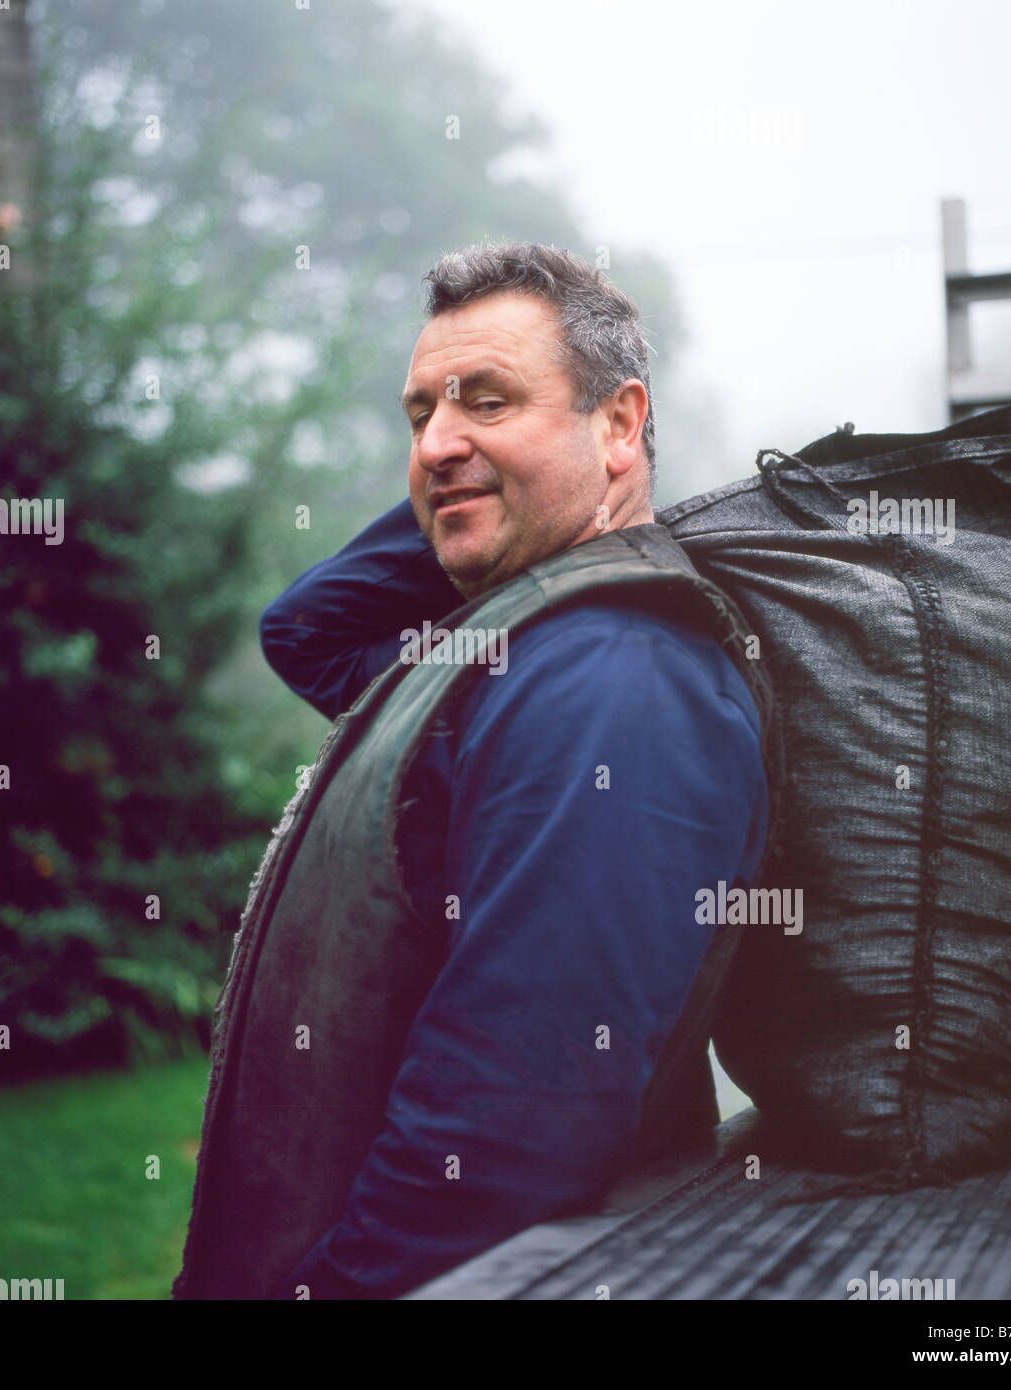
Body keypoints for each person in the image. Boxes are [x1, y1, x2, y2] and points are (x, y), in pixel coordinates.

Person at [173, 242, 773, 1301]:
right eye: (419, 416)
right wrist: (491, 479)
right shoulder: (499, 657)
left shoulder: (608, 684)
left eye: (486, 400)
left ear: (620, 422)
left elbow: (501, 1141)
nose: (435, 443)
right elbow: (307, 629)